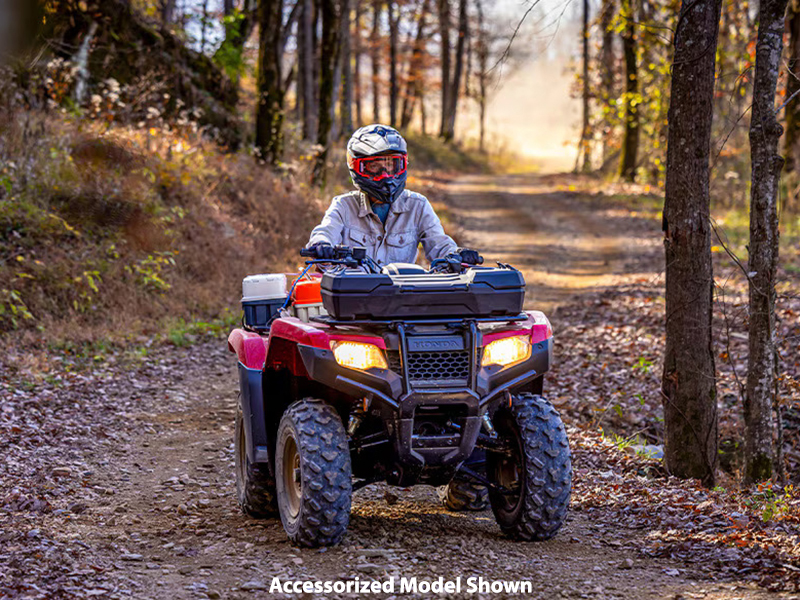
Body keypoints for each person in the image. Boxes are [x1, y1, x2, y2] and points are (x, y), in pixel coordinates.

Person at [304, 124, 482, 266]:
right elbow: (325, 231)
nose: (385, 175)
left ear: (403, 165)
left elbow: (440, 244)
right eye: (375, 167)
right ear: (357, 168)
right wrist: (321, 245)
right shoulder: (343, 206)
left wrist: (456, 254)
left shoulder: (417, 205)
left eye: (391, 165)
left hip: (403, 301)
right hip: (354, 299)